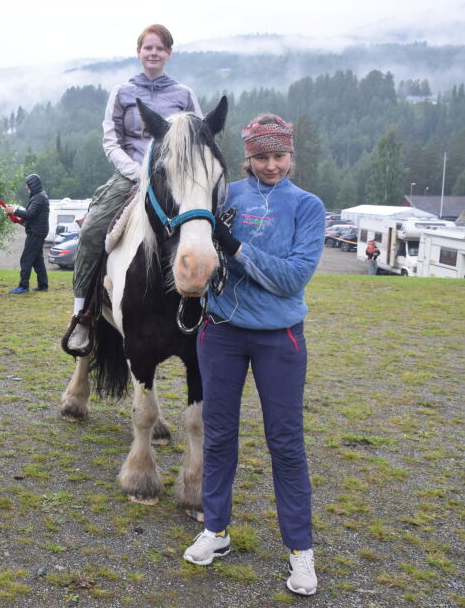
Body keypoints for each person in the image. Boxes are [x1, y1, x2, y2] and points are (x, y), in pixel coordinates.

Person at [182, 115, 324, 597]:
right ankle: (215, 531)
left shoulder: (307, 206)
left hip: (278, 337)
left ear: (290, 155)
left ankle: (301, 552)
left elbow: (290, 278)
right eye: (261, 157)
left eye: (279, 155)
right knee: (219, 436)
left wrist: (235, 247)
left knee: (285, 443)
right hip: (220, 331)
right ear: (247, 157)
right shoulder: (225, 198)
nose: (270, 165)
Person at [66, 24, 201, 351]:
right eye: (148, 48)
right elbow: (110, 141)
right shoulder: (122, 92)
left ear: (169, 53)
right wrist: (138, 173)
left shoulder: (184, 95)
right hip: (129, 176)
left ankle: (214, 307)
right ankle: (82, 313)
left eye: (160, 48)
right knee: (91, 232)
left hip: (174, 179)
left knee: (208, 227)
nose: (153, 53)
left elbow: (199, 138)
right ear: (139, 52)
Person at [5, 173, 49, 294]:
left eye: (27, 185)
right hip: (38, 231)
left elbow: (30, 214)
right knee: (37, 259)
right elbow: (31, 215)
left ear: (32, 185)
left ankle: (23, 286)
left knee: (26, 259)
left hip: (36, 233)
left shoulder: (39, 197)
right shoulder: (39, 196)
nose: (26, 187)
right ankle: (43, 284)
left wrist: (14, 210)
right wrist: (18, 219)